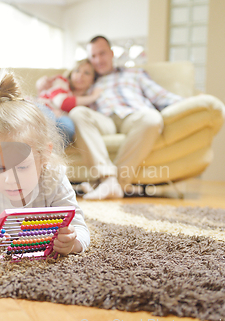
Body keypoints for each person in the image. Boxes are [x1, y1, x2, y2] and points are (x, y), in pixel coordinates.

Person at [0, 73, 90, 255]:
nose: (10, 179)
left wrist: (74, 242)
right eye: (0, 168)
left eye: (22, 167)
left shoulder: (54, 177)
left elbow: (79, 225)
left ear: (45, 155)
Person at [68, 35, 184, 200]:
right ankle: (107, 178)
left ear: (112, 53)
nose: (98, 60)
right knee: (77, 113)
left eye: (102, 54)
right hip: (104, 120)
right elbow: (65, 93)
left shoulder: (135, 73)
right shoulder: (87, 80)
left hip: (134, 115)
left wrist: (191, 103)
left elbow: (161, 96)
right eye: (93, 56)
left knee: (152, 118)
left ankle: (115, 184)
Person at [36, 58, 101, 115]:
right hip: (38, 108)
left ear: (93, 80)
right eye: (77, 71)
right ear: (71, 73)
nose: (80, 75)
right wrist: (93, 97)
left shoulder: (87, 104)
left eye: (86, 73)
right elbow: (63, 103)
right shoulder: (61, 81)